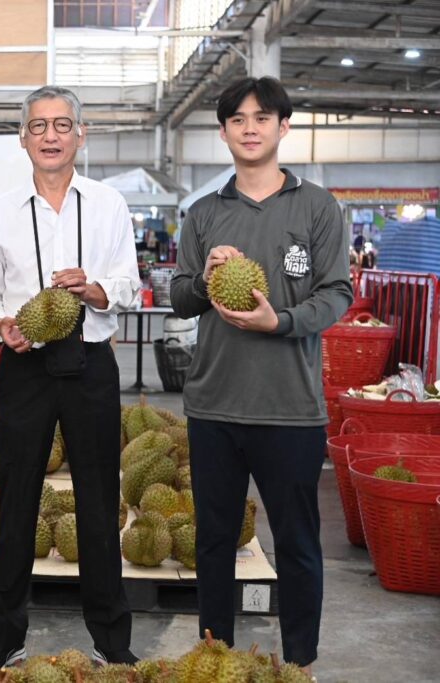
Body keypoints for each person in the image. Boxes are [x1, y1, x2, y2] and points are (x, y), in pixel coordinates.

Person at [169, 77, 352, 676]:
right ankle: (213, 655)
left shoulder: (319, 208)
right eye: (238, 119)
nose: (250, 127)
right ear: (223, 132)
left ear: (283, 127)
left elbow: (337, 295)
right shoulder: (203, 214)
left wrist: (281, 320)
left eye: (263, 117)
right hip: (215, 406)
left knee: (298, 546)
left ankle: (299, 660)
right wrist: (203, 279)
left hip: (291, 409)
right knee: (214, 543)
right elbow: (179, 296)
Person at [0, 85, 140, 670]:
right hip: (25, 365)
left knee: (99, 498)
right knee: (16, 498)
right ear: (23, 137)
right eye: (38, 125)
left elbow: (129, 284)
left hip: (91, 362)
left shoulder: (109, 203)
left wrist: (95, 289)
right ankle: (7, 631)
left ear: (80, 135)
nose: (50, 135)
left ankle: (111, 637)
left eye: (62, 125)